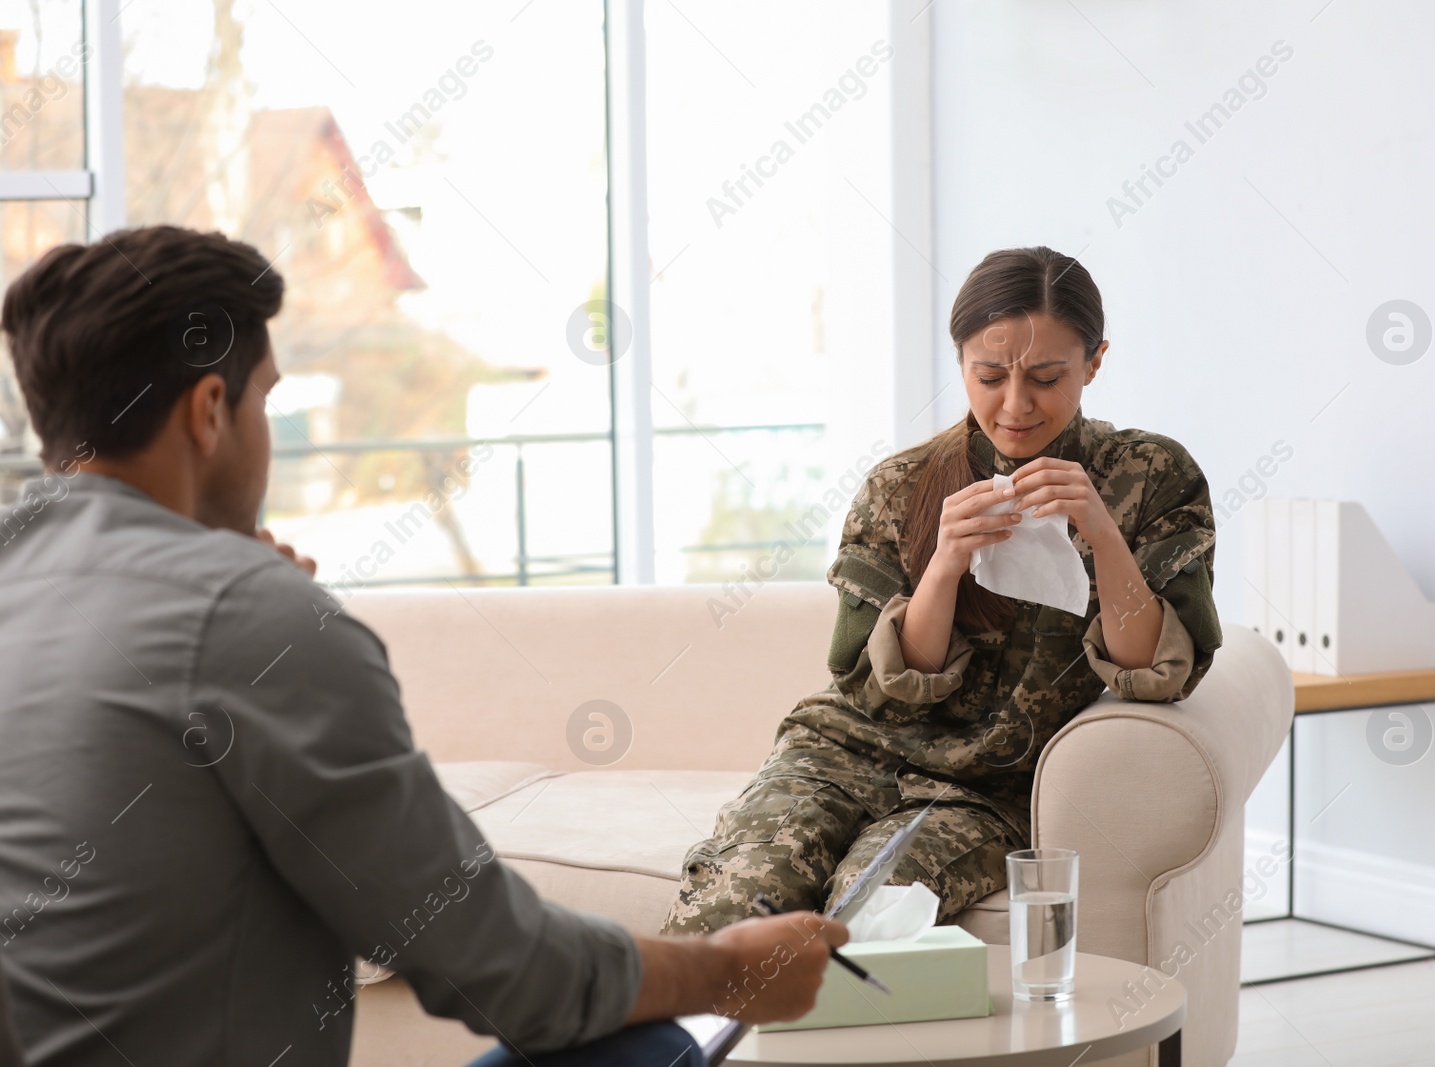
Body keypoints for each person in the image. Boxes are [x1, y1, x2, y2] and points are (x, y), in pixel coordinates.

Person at [0, 225, 847, 1067]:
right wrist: (731, 968)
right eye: (265, 398)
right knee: (645, 1047)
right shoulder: (246, 613)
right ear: (210, 411)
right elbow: (499, 965)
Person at [663, 246, 1223, 935]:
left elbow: (1155, 672)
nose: (1015, 405)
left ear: (1094, 362)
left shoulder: (1152, 475)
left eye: (1047, 377)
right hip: (842, 751)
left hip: (985, 790)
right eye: (989, 376)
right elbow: (873, 686)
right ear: (960, 361)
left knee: (864, 926)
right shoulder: (900, 485)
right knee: (724, 915)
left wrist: (1102, 533)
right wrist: (945, 565)